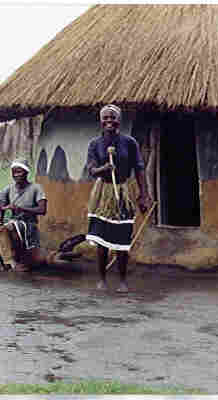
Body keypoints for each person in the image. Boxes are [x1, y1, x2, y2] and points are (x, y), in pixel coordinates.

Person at [84, 104, 151, 292]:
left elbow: (139, 168)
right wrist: (103, 169)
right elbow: (91, 169)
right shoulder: (95, 144)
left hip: (122, 192)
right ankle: (102, 279)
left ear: (119, 120)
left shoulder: (129, 142)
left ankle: (122, 280)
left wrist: (143, 194)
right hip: (102, 194)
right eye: (105, 118)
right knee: (102, 239)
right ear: (100, 121)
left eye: (112, 117)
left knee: (122, 239)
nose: (109, 121)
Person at [0, 159, 47, 273]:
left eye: (19, 172)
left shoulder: (36, 188)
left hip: (29, 223)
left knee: (12, 226)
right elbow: (1, 208)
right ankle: (6, 261)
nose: (16, 175)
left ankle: (22, 260)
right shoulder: (8, 189)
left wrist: (21, 208)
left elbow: (42, 210)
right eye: (14, 172)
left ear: (26, 173)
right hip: (13, 221)